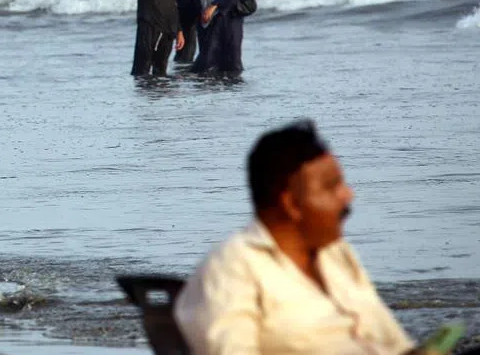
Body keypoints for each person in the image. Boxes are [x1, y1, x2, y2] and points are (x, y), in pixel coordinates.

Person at [175, 120, 417, 355]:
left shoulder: (336, 255)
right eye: (331, 186)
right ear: (290, 203)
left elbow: (396, 344)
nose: (347, 195)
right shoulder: (233, 268)